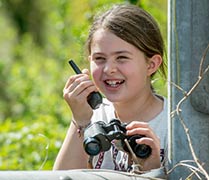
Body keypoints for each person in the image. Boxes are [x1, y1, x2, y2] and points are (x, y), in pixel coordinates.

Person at [53, 3, 168, 172]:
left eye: (121, 58)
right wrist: (80, 121)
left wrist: (153, 171)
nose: (109, 69)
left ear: (151, 64)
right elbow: (63, 177)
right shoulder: (91, 115)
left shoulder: (175, 125)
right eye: (99, 59)